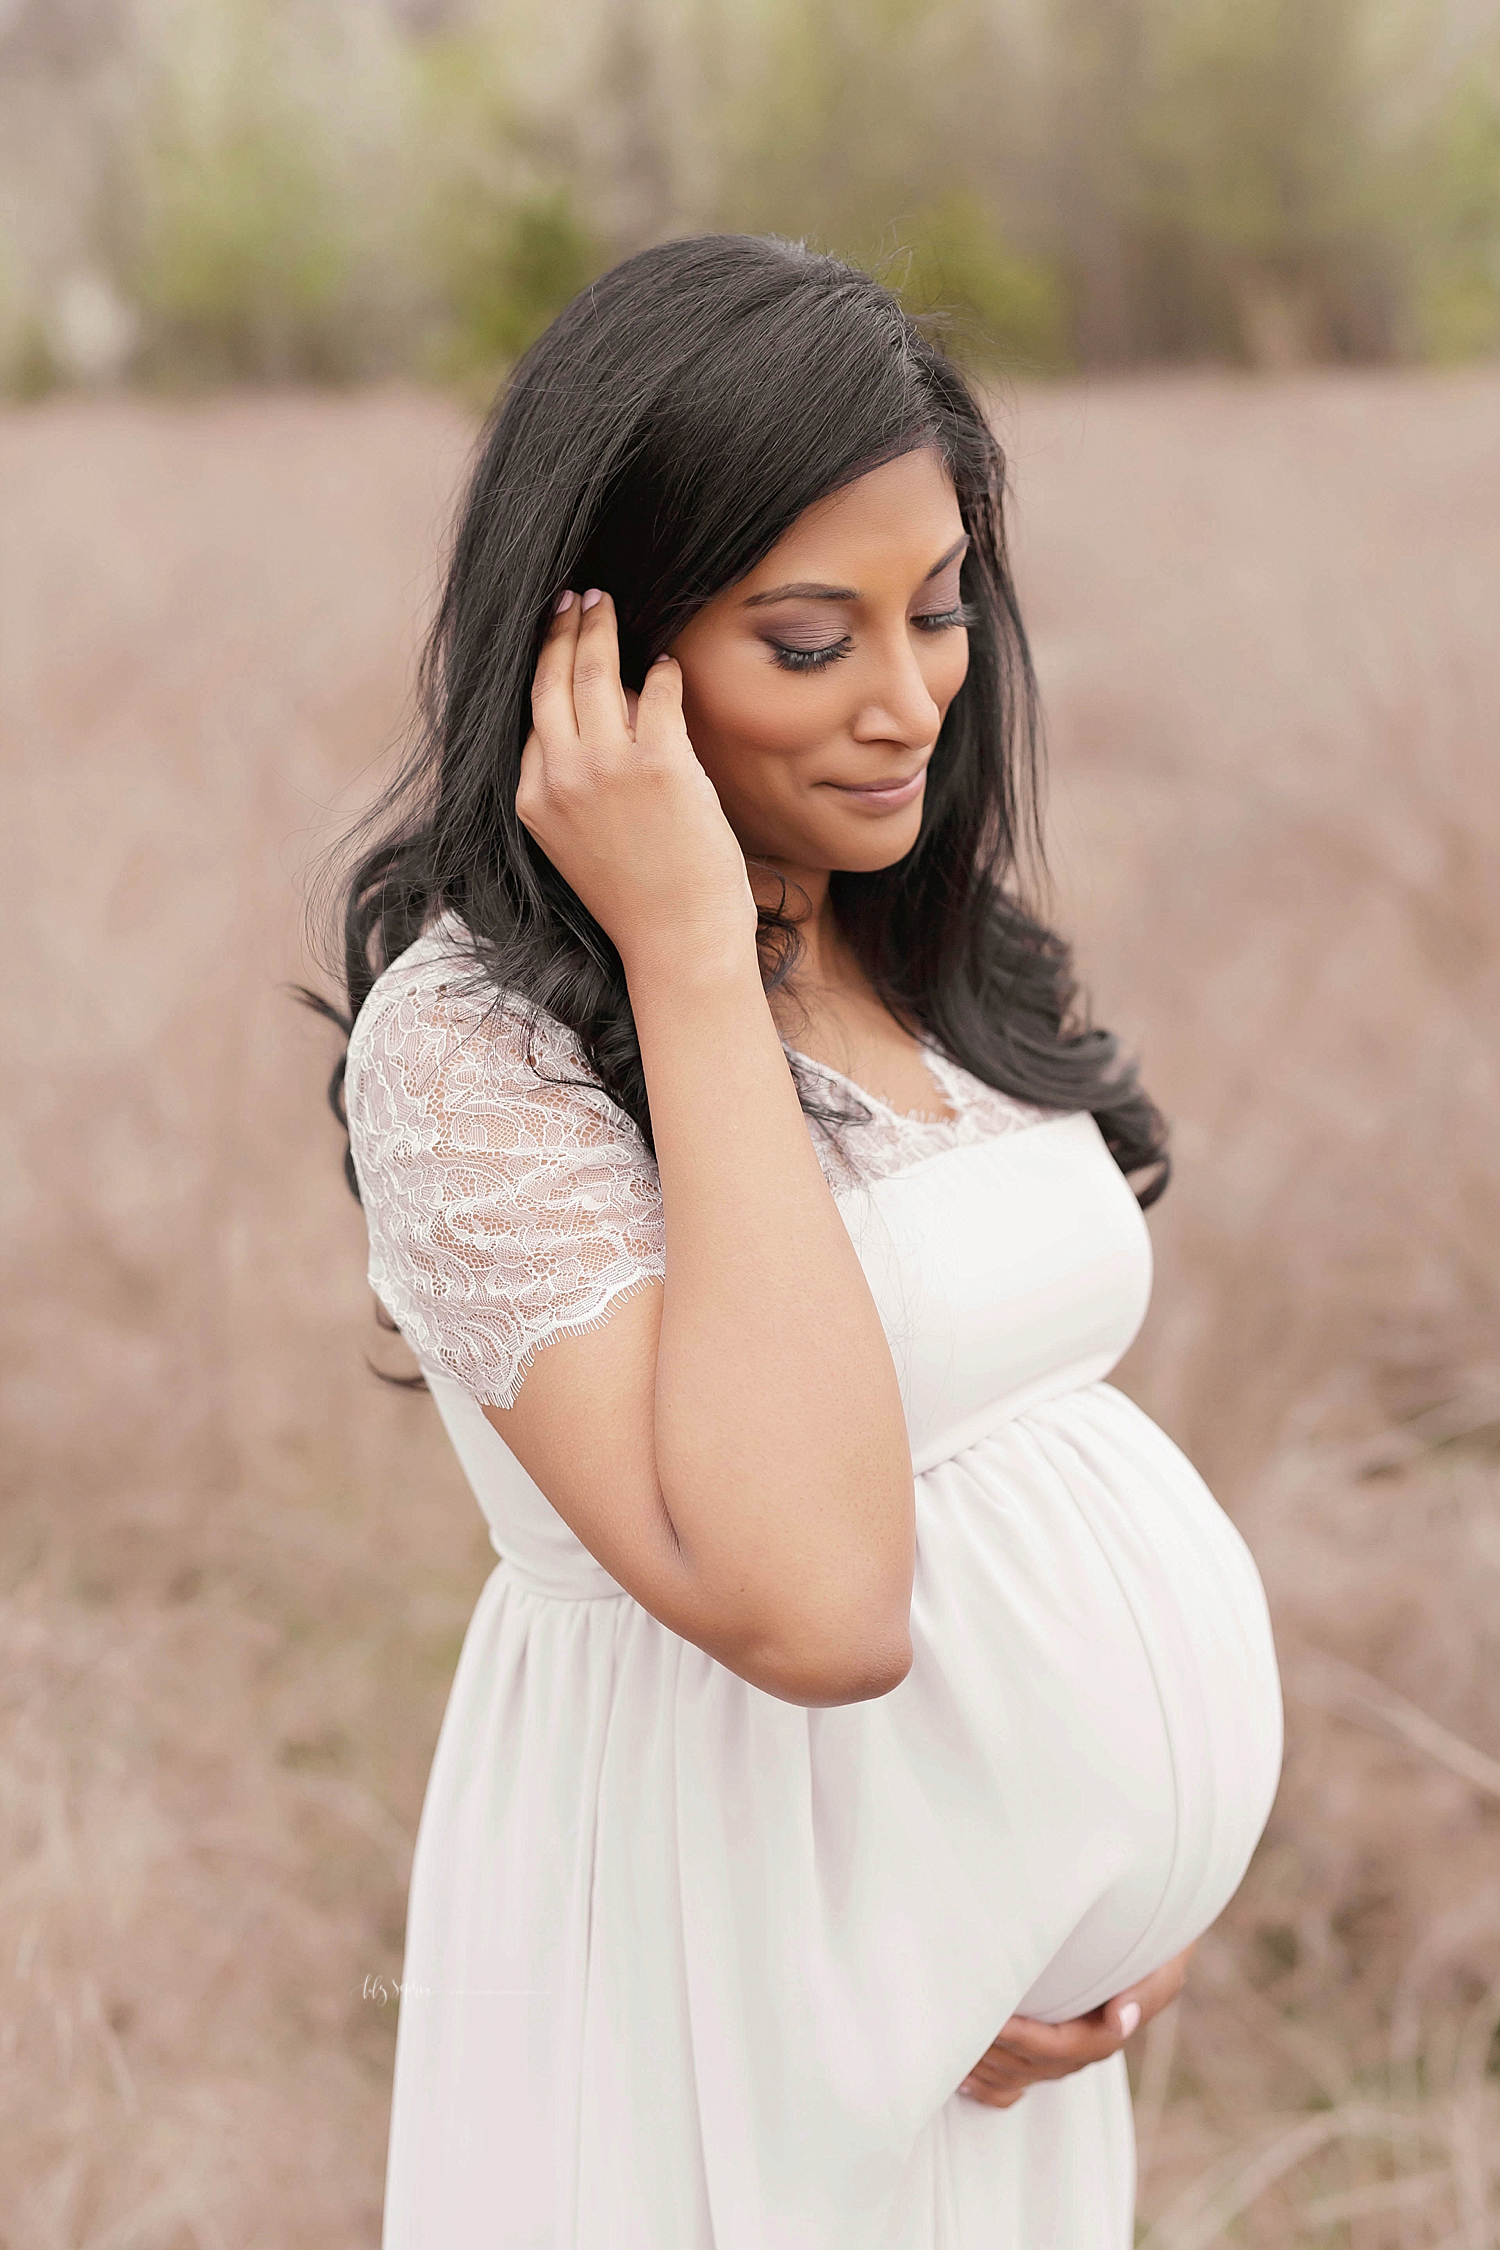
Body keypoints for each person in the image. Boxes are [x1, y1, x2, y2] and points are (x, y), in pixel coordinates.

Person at [320, 234, 1283, 2248]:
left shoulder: (912, 931)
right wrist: (683, 946)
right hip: (724, 1968)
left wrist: (1107, 1875)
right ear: (604, 659)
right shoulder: (477, 1049)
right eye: (808, 639)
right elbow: (821, 1604)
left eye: (937, 611)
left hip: (983, 2028)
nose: (909, 699)